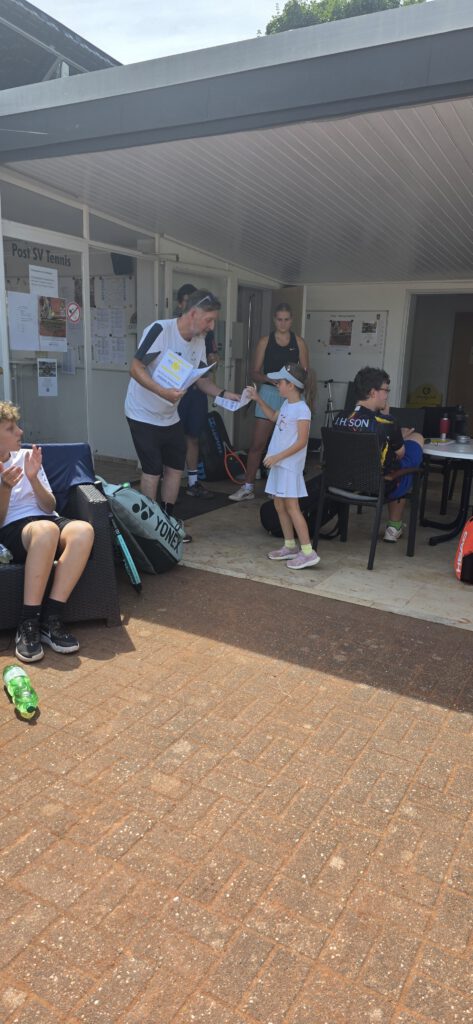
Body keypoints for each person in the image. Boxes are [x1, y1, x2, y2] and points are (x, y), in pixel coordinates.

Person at [125, 290, 240, 539]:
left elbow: (202, 381)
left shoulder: (198, 341)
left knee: (176, 468)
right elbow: (135, 367)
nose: (211, 327)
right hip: (142, 412)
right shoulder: (161, 330)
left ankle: (168, 521)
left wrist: (224, 394)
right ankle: (150, 527)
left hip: (169, 415)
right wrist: (162, 392)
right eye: (209, 320)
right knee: (152, 470)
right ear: (193, 313)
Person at [0, 401, 95, 663]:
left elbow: (50, 505)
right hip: (14, 529)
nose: (20, 432)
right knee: (45, 531)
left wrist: (33, 479)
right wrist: (5, 488)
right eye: (10, 428)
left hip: (47, 519)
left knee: (83, 531)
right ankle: (28, 622)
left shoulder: (27, 457)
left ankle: (51, 619)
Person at [332, 366, 424, 542]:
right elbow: (400, 454)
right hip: (379, 486)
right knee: (415, 444)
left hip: (344, 482)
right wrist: (398, 435)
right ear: (373, 392)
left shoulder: (339, 418)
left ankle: (394, 526)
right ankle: (394, 527)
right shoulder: (387, 423)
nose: (387, 395)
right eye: (385, 390)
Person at [229, 303, 309, 501]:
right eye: (279, 319)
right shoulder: (265, 341)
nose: (283, 323)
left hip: (291, 395)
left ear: (292, 320)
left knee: (288, 443)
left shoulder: (299, 342)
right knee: (258, 443)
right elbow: (254, 372)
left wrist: (295, 390)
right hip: (269, 392)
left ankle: (281, 489)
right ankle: (248, 487)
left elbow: (304, 372)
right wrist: (270, 380)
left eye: (286, 319)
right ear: (274, 320)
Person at [247, 364, 320, 570]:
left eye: (280, 382)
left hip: (288, 466)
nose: (277, 385)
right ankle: (289, 546)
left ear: (291, 385)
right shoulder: (287, 404)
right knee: (279, 505)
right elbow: (273, 417)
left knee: (292, 508)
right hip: (278, 465)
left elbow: (302, 441)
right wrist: (258, 399)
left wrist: (277, 457)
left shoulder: (302, 409)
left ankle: (308, 552)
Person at [174, 283, 219, 498]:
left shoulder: (205, 333)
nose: (209, 325)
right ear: (181, 305)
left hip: (196, 390)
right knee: (173, 439)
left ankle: (193, 482)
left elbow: (210, 363)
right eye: (187, 301)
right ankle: (168, 483)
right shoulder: (170, 330)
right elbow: (139, 367)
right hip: (174, 394)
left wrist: (212, 361)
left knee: (193, 436)